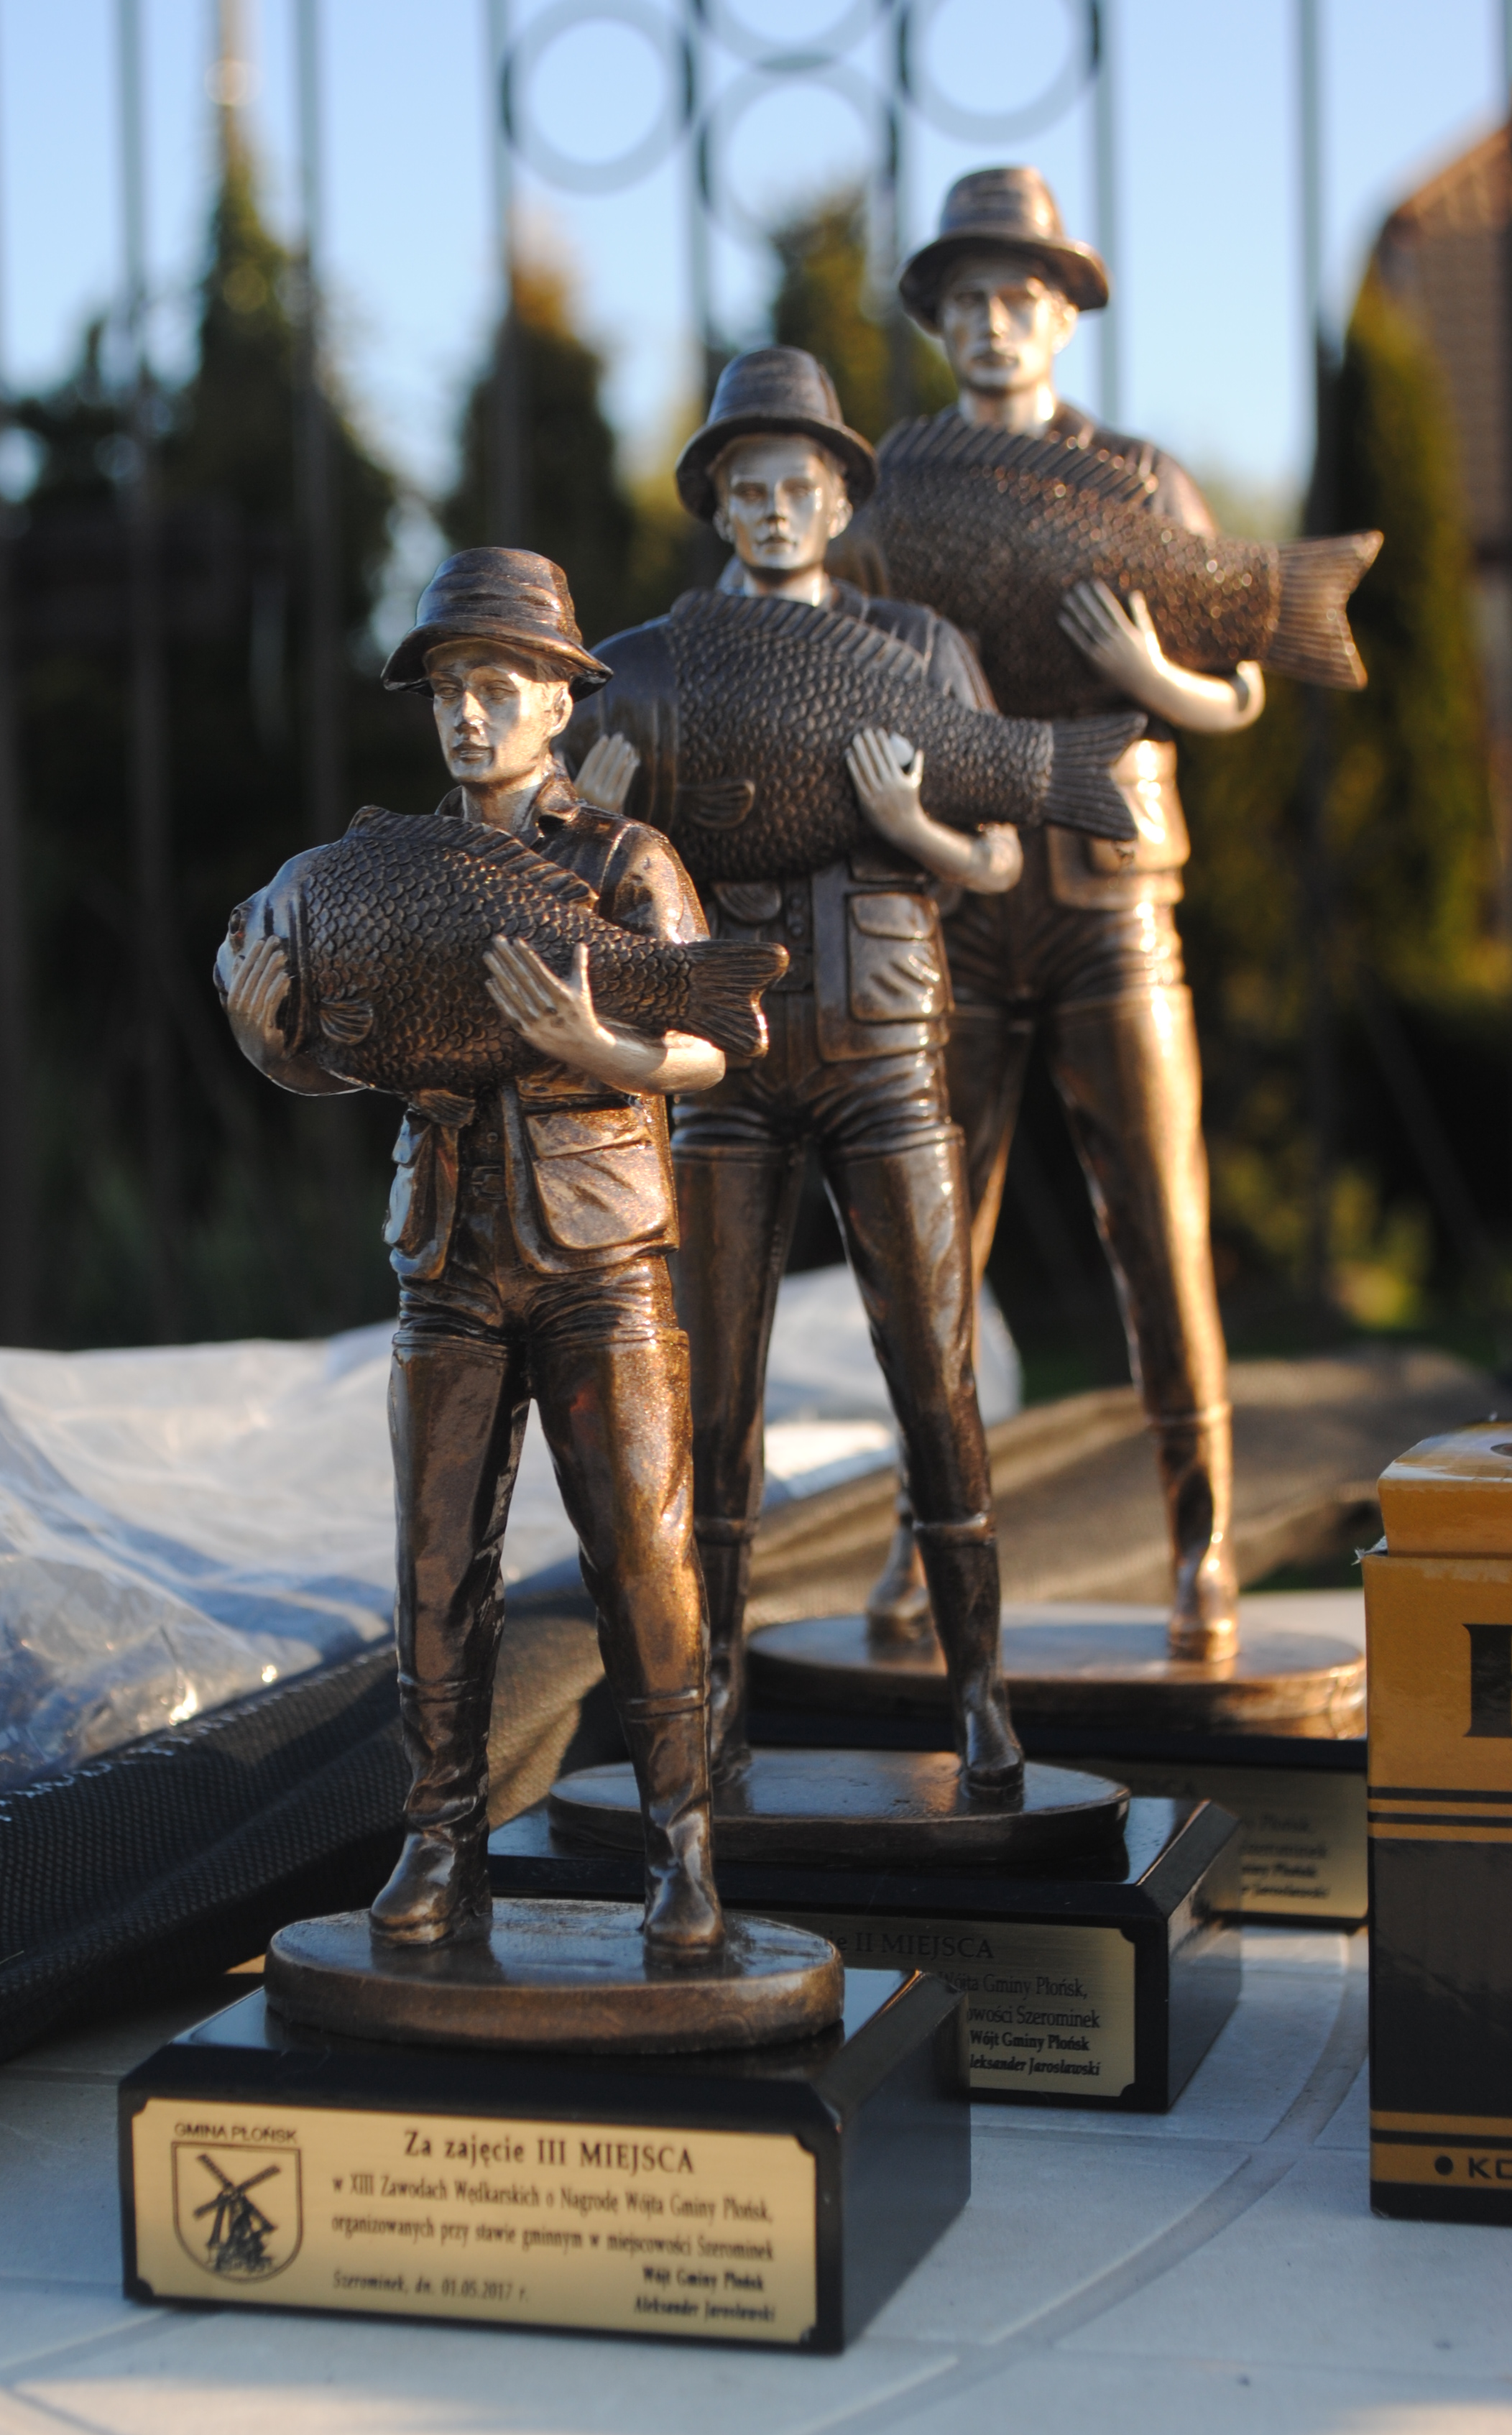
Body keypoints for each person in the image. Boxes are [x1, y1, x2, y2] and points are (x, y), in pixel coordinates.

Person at [223, 548, 727, 1949]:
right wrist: (275, 1046)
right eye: (449, 689)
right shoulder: (377, 872)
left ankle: (683, 1846)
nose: (467, 714)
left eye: (497, 687)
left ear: (561, 703)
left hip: (599, 1252)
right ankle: (442, 1837)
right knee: (436, 1560)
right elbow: (353, 1051)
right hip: (446, 1250)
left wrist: (600, 1045)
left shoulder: (627, 859)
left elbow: (714, 1040)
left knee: (643, 1548)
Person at [576, 347, 1023, 1793]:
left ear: (840, 499)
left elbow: (1000, 856)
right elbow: (589, 882)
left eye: (800, 486)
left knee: (934, 1366)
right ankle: (712, 1691)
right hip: (731, 1056)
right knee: (714, 1390)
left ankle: (980, 1688)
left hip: (887, 1043)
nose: (775, 510)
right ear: (719, 507)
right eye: (748, 489)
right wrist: (599, 832)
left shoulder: (921, 645)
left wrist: (914, 822)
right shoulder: (654, 667)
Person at [895, 167, 1259, 1660]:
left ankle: (1204, 1541)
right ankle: (926, 1546)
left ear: (1062, 318)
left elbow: (1240, 684)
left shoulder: (1141, 481)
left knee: (1161, 1222)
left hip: (1110, 892)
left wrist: (1146, 670)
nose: (994, 323)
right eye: (969, 300)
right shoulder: (894, 485)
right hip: (956, 892)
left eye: (1020, 298)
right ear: (939, 323)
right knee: (929, 1239)